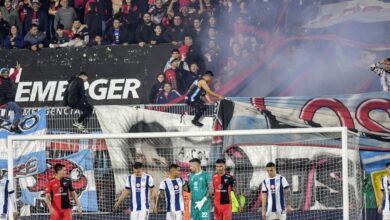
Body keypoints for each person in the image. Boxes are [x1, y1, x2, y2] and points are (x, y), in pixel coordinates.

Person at [0, 63, 22, 133]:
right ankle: (13, 126)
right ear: (1, 74)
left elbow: (13, 75)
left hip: (10, 101)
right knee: (18, 109)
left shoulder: (9, 79)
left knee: (19, 112)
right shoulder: (0, 80)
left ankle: (15, 125)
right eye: (4, 73)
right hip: (5, 101)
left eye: (7, 73)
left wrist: (17, 70)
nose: (6, 74)